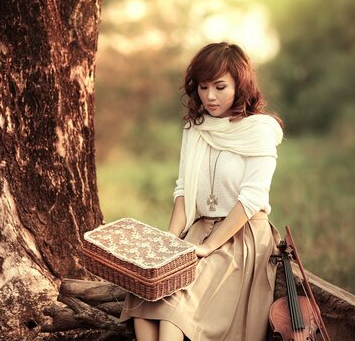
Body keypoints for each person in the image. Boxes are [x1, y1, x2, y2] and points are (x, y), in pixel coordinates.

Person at [119, 42, 284, 341]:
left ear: (240, 84)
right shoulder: (195, 129)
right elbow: (183, 190)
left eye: (220, 86)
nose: (209, 96)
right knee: (145, 300)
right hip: (199, 230)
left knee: (173, 318)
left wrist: (209, 247)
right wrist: (169, 242)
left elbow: (251, 200)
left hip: (240, 236)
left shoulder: (259, 130)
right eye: (203, 87)